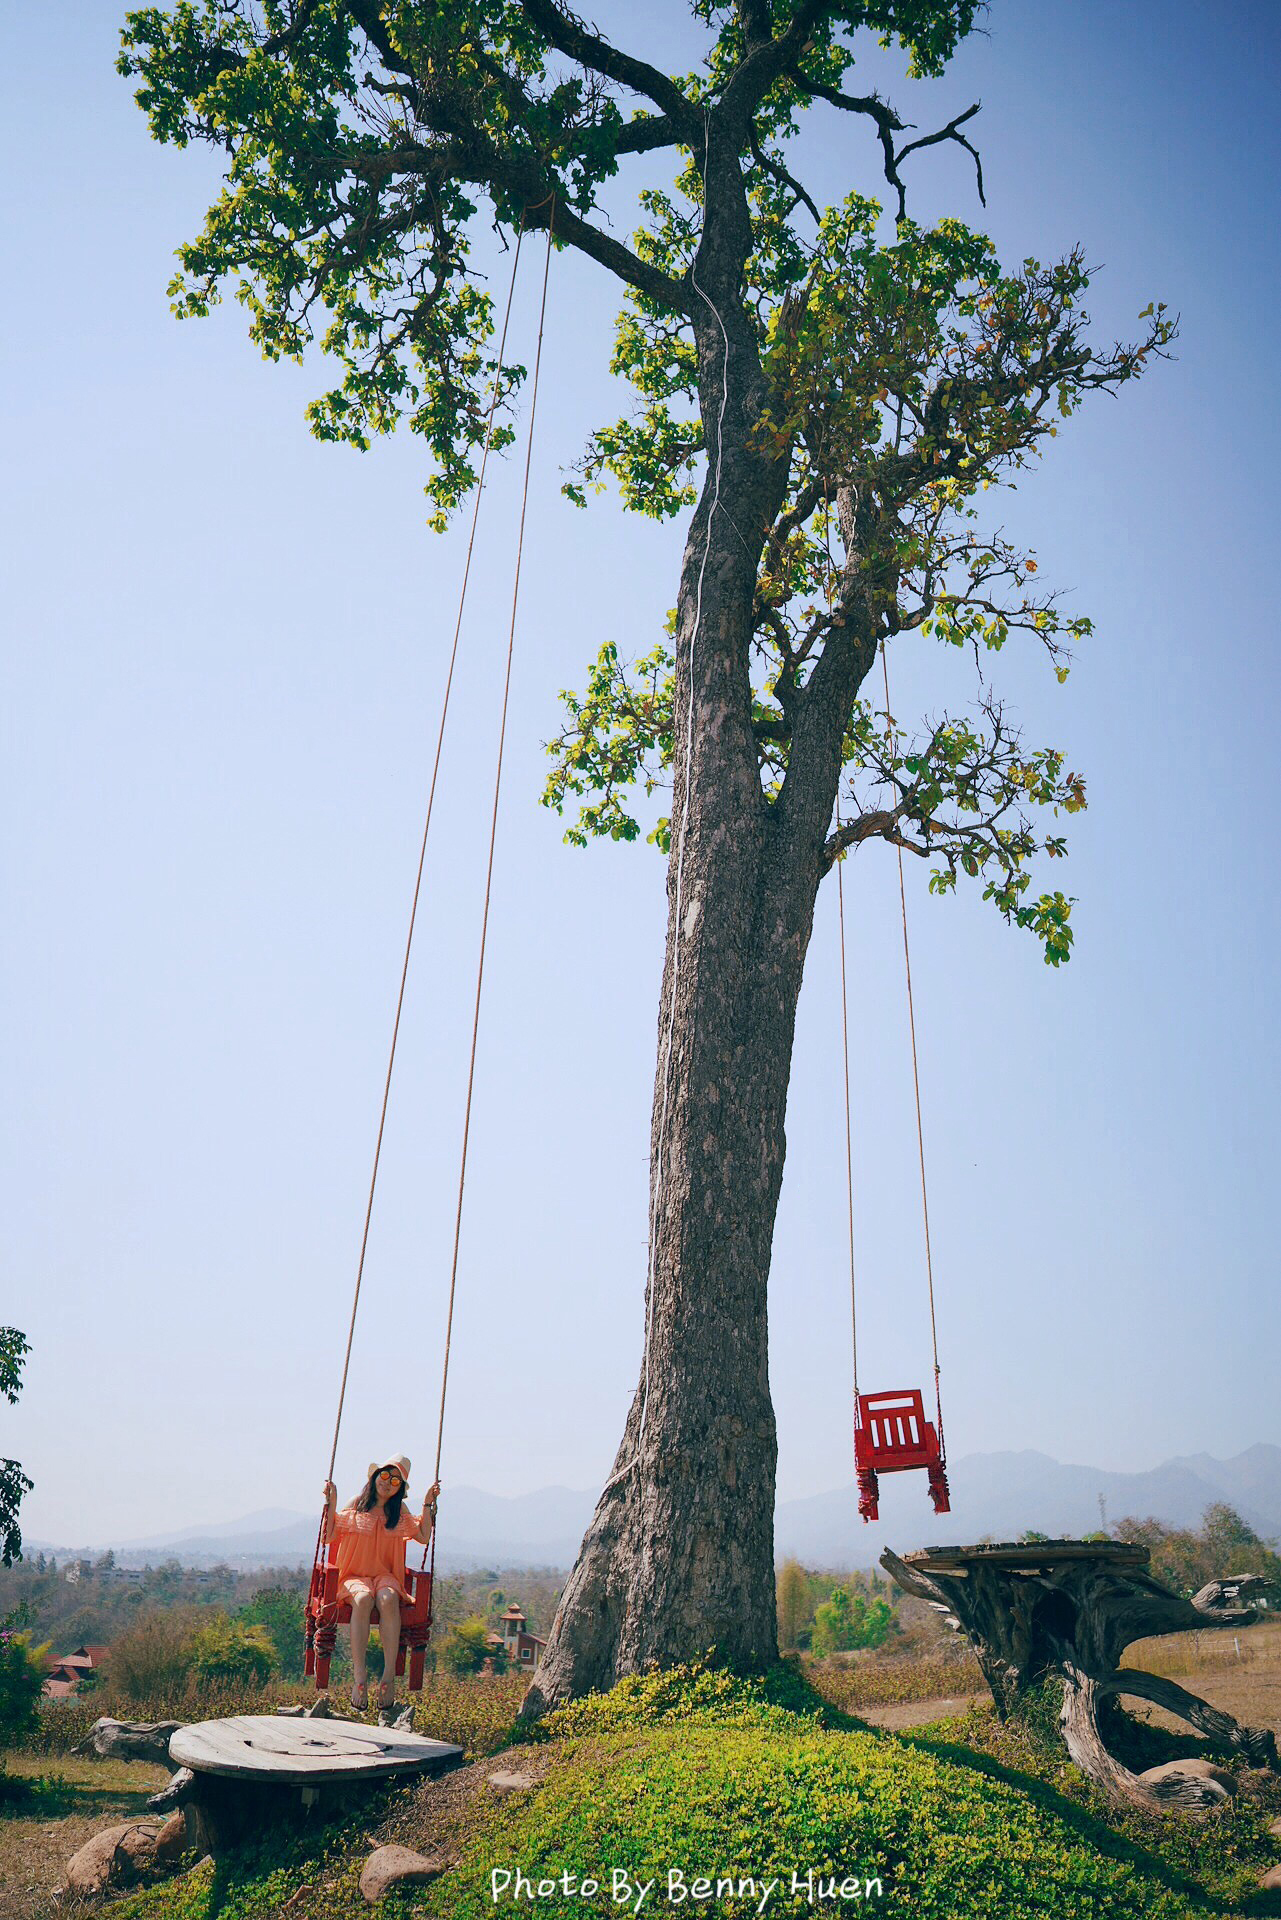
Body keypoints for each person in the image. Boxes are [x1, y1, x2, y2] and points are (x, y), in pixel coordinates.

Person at [322, 1454, 439, 1710]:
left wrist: (428, 1505)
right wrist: (331, 1503)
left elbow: (422, 1536)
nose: (388, 1482)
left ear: (400, 1489)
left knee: (387, 1599)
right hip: (354, 1576)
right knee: (363, 1600)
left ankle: (388, 1675)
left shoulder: (399, 1512)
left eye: (395, 1480)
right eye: (385, 1475)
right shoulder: (357, 1504)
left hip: (386, 1576)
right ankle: (360, 1675)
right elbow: (328, 1536)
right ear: (375, 1476)